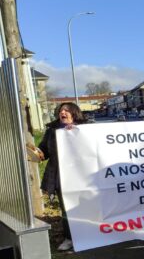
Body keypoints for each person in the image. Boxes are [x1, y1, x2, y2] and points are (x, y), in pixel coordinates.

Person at [36, 102, 86, 251]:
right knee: (66, 210)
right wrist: (36, 152)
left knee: (86, 206)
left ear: (74, 113)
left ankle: (90, 235)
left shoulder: (86, 128)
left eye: (66, 110)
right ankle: (70, 238)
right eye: (61, 110)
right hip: (61, 177)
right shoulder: (52, 130)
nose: (62, 112)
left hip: (83, 176)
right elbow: (44, 150)